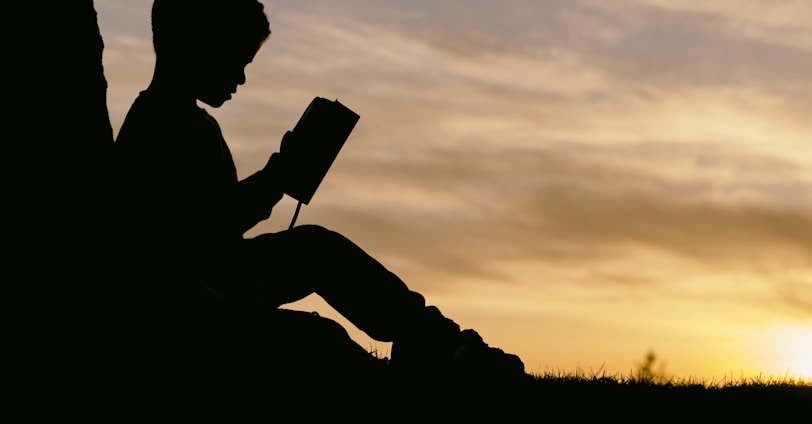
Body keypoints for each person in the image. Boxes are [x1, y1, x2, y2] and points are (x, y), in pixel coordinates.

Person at [113, 0, 526, 382]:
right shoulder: (157, 127)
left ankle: (436, 342)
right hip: (189, 307)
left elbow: (217, 219)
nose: (240, 78)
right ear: (197, 46)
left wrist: (278, 175)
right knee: (321, 337)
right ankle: (438, 360)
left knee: (316, 248)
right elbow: (187, 239)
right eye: (235, 60)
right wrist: (277, 178)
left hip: (218, 278)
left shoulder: (187, 121)